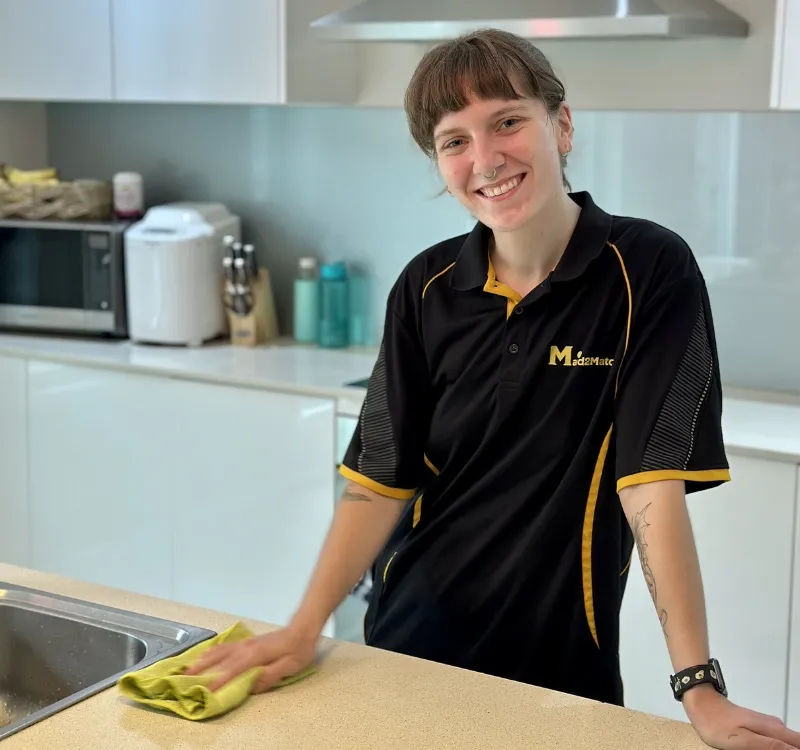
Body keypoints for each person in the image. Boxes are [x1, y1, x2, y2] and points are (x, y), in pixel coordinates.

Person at [186, 29, 800, 749]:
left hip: (563, 668)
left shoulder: (647, 269)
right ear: (439, 161)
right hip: (409, 644)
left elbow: (648, 485)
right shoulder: (426, 287)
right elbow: (379, 484)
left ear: (560, 124)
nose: (486, 159)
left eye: (507, 121)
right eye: (454, 140)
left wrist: (698, 686)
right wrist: (300, 631)